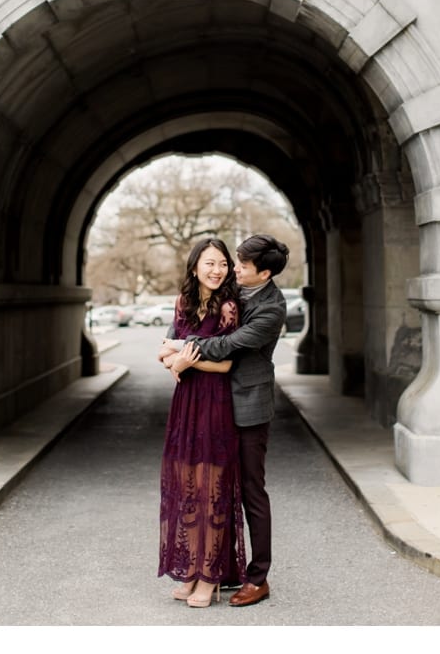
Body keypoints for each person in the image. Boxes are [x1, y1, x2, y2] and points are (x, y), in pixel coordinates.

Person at [161, 234, 289, 607]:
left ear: (263, 272)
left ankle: (258, 577)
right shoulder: (228, 286)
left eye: (242, 266)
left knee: (250, 490)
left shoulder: (271, 308)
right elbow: (187, 321)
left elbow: (224, 345)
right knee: (206, 487)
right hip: (207, 404)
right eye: (232, 261)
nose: (232, 269)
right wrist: (172, 347)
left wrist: (181, 354)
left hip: (246, 406)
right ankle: (214, 570)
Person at [157, 237, 246, 608]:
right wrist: (176, 359)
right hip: (186, 403)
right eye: (209, 263)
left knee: (212, 488)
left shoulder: (228, 307)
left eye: (223, 264)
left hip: (215, 401)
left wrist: (184, 361)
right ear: (195, 267)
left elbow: (225, 364)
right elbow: (163, 350)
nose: (216, 270)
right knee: (188, 485)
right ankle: (191, 571)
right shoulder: (184, 303)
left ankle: (210, 577)